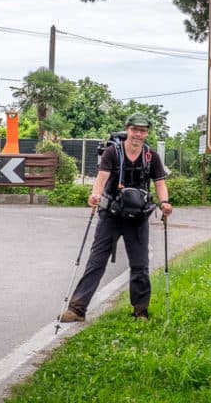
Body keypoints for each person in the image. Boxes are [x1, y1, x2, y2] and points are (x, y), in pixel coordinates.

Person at [59, 112, 173, 323]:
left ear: (147, 133)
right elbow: (101, 178)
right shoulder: (112, 152)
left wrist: (165, 202)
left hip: (138, 217)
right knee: (96, 260)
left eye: (143, 130)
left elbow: (159, 183)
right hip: (111, 214)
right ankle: (77, 309)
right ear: (128, 129)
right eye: (135, 129)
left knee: (140, 264)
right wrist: (95, 195)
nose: (138, 134)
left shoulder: (151, 157)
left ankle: (141, 311)